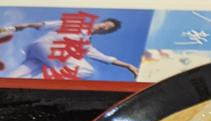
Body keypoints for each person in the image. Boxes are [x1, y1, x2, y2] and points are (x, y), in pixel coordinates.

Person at [0, 16, 138, 79]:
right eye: (105, 24)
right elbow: (41, 24)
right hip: (49, 48)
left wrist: (128, 65)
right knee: (86, 69)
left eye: (107, 29)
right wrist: (13, 27)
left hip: (37, 53)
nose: (104, 27)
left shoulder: (86, 45)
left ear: (104, 33)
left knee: (17, 76)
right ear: (101, 22)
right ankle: (44, 83)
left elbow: (106, 58)